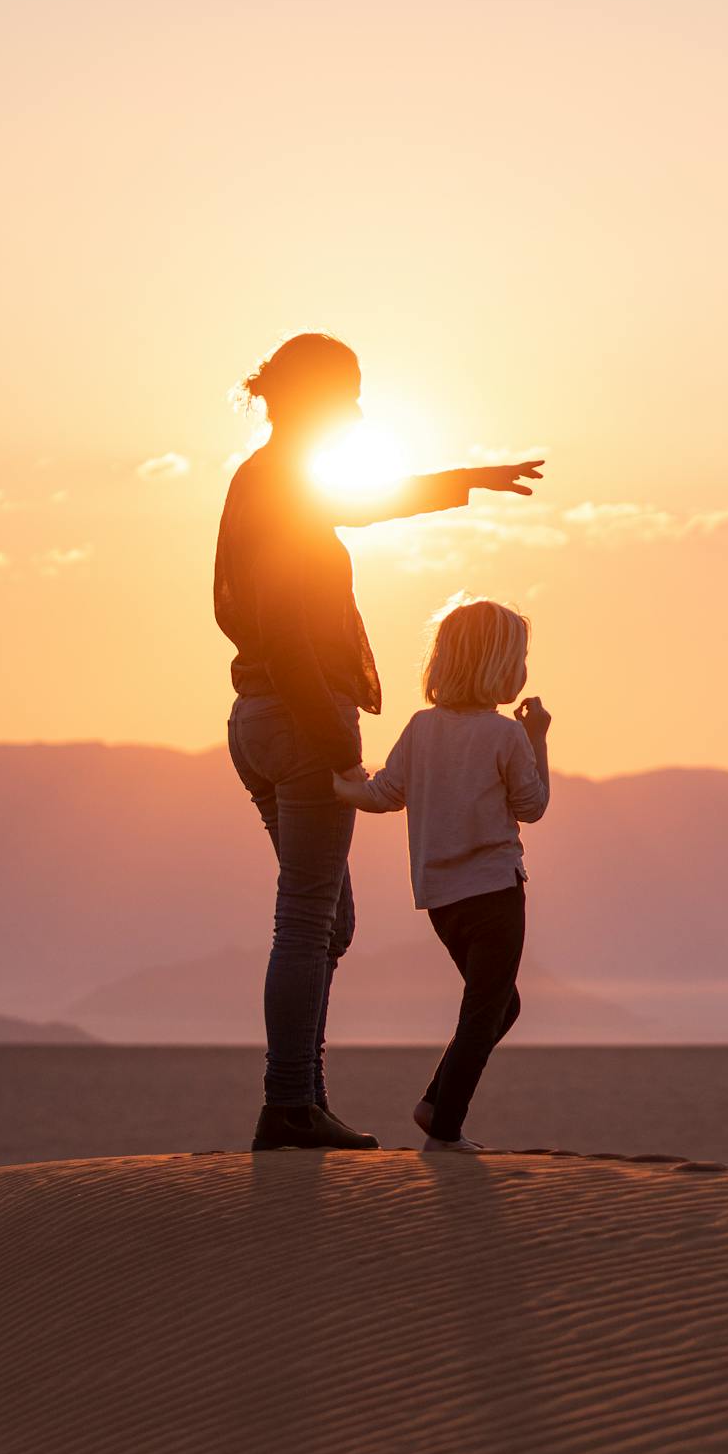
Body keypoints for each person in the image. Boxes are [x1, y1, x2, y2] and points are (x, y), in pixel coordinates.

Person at [216, 332, 543, 1152]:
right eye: (349, 392)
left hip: (258, 720)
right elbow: (282, 620)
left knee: (329, 922)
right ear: (316, 394)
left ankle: (302, 1098)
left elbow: (361, 503)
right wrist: (328, 726)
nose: (359, 408)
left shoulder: (267, 480)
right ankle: (290, 1104)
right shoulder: (281, 483)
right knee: (307, 919)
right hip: (297, 717)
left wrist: (468, 479)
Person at [333, 596, 551, 1152]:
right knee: (485, 1012)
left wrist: (338, 783)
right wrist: (538, 739)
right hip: (496, 894)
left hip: (440, 900)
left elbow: (384, 794)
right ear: (500, 667)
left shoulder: (422, 728)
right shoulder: (505, 736)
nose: (524, 671)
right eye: (519, 659)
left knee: (501, 1005)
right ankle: (445, 1128)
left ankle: (436, 1102)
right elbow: (532, 806)